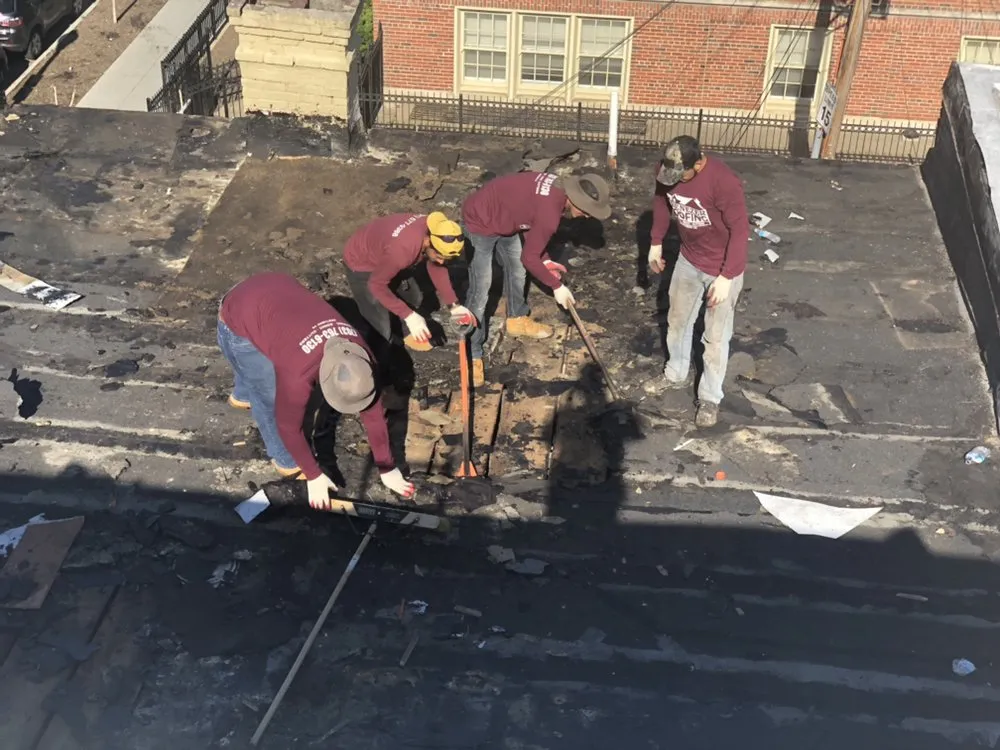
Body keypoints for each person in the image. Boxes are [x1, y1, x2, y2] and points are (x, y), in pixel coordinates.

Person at [217, 272, 415, 509]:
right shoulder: (298, 375)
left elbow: (373, 415)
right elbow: (289, 427)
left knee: (260, 362)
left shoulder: (361, 356)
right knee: (268, 397)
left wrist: (387, 466)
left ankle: (242, 392)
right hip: (237, 313)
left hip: (276, 287)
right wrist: (313, 474)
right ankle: (285, 459)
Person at [461, 171, 613, 386]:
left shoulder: (557, 192)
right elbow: (530, 256)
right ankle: (472, 354)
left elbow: (531, 225)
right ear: (575, 200)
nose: (587, 216)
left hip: (507, 219)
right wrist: (556, 286)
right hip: (481, 220)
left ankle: (516, 319)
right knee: (481, 288)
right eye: (587, 211)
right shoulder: (550, 212)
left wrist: (546, 261)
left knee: (517, 270)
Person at [645, 135, 749, 428]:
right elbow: (661, 202)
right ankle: (675, 372)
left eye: (682, 174)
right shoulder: (666, 170)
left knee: (715, 337)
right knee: (678, 321)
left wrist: (727, 277)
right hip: (689, 260)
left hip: (722, 267)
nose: (674, 179)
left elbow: (740, 231)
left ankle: (710, 397)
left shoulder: (723, 182)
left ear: (699, 163)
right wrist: (655, 242)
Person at [344, 211, 475, 353]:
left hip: (388, 253)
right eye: (438, 255)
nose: (441, 261)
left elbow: (436, 266)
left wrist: (454, 305)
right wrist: (410, 316)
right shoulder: (404, 250)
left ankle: (404, 329)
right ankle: (381, 352)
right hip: (362, 260)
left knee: (414, 297)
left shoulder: (436, 230)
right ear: (427, 241)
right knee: (377, 316)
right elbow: (376, 284)